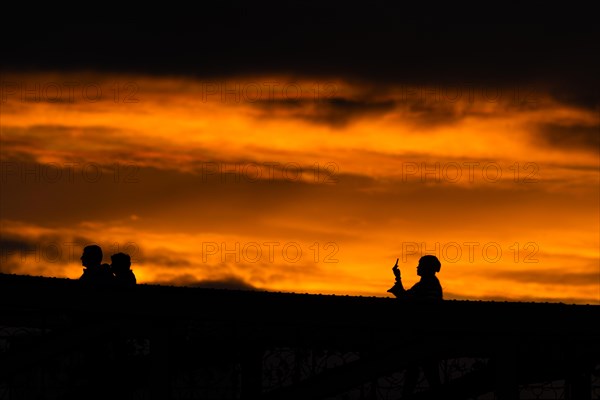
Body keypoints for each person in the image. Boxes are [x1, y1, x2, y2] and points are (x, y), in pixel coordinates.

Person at [387, 255, 443, 396]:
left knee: (419, 373)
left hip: (423, 337)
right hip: (425, 337)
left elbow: (410, 302)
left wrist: (398, 281)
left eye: (420, 265)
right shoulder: (428, 284)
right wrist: (398, 279)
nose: (417, 267)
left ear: (427, 268)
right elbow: (409, 299)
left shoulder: (427, 285)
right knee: (425, 374)